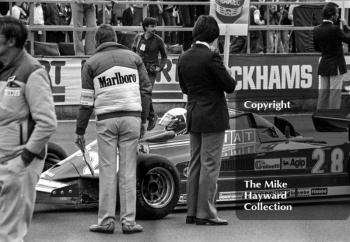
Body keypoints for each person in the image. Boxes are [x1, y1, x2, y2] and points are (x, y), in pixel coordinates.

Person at [75, 24, 152, 234]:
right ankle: (129, 222)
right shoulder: (134, 58)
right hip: (132, 118)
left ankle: (106, 221)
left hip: (107, 120)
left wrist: (80, 130)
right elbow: (146, 89)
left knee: (108, 171)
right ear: (115, 38)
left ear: (98, 42)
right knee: (128, 172)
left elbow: (86, 102)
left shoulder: (91, 63)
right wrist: (144, 118)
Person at [0, 16, 57, 241]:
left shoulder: (33, 71)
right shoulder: (3, 68)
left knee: (9, 234)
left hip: (19, 163)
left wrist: (22, 160)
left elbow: (47, 122)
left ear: (11, 40)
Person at [177, 15, 236, 226]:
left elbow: (184, 88)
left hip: (193, 113)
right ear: (213, 36)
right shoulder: (212, 57)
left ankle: (192, 212)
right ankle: (206, 213)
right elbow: (229, 85)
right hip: (213, 116)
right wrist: (228, 71)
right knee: (210, 165)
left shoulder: (183, 57)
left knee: (195, 164)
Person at [132, 17, 167, 131]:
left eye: (155, 26)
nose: (154, 28)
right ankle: (152, 115)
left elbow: (164, 56)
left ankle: (147, 118)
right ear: (145, 27)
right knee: (142, 93)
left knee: (146, 93)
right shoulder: (138, 38)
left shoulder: (158, 40)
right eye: (152, 26)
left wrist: (159, 68)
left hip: (151, 71)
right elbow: (132, 51)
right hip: (138, 69)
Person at [313, 2, 350, 110]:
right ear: (332, 15)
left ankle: (321, 118)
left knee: (323, 94)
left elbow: (317, 48)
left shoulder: (316, 29)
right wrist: (346, 27)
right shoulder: (335, 29)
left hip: (324, 64)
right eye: (337, 13)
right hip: (336, 65)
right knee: (335, 94)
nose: (338, 16)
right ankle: (333, 121)